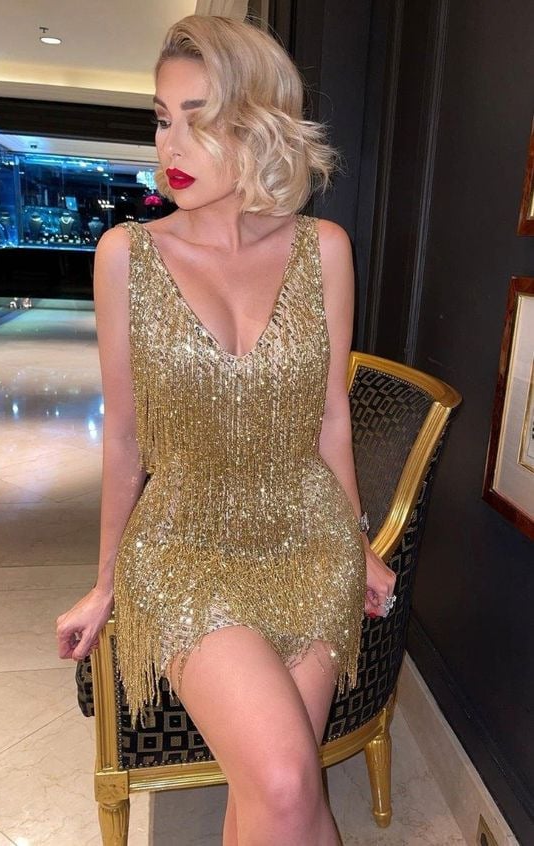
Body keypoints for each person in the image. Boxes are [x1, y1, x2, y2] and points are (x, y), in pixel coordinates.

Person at [56, 14, 396, 846]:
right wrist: (105, 581)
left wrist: (357, 545)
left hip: (306, 535)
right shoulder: (125, 256)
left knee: (272, 799)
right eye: (161, 118)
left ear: (257, 125)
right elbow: (124, 438)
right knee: (284, 779)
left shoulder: (325, 249)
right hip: (183, 542)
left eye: (198, 118)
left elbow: (330, 416)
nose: (170, 145)